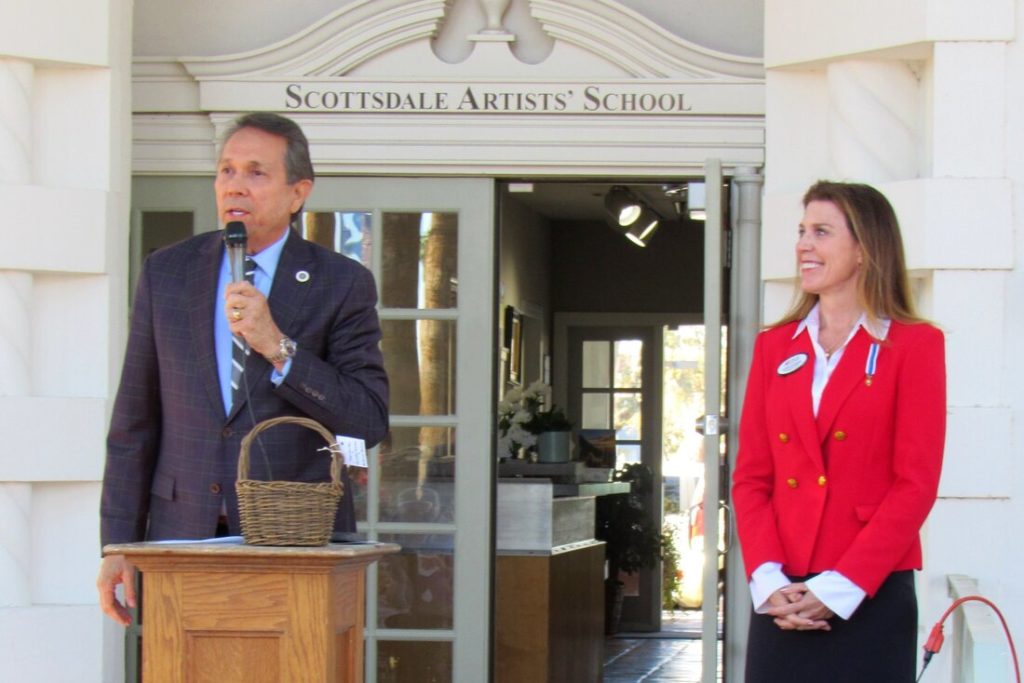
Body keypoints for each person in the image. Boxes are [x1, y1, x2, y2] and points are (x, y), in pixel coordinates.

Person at [97, 112, 389, 625]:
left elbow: (366, 422)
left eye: (256, 172)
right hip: (180, 533)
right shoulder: (166, 271)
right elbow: (134, 422)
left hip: (294, 540)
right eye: (227, 170)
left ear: (298, 192)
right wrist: (117, 543)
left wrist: (279, 348)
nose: (236, 185)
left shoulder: (341, 283)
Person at [732, 180, 945, 682]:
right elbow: (751, 478)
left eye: (821, 232)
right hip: (782, 595)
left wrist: (840, 587)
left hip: (867, 592)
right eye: (802, 231)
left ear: (866, 249)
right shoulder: (774, 347)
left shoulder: (915, 346)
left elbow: (915, 484)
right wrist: (766, 580)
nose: (803, 245)